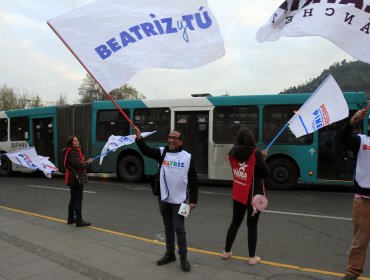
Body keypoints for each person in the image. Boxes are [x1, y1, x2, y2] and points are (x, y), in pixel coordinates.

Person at [133, 127, 198, 272]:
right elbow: (145, 151)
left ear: (181, 142)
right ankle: (170, 254)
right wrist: (139, 138)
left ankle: (183, 257)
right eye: (169, 137)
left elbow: (193, 180)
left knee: (179, 228)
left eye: (174, 138)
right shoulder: (162, 153)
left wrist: (193, 201)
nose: (170, 140)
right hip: (163, 199)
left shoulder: (187, 157)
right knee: (168, 227)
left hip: (180, 200)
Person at [222, 128, 269, 265]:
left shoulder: (232, 152)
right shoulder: (256, 153)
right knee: (252, 225)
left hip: (239, 192)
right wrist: (262, 158)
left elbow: (247, 164)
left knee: (235, 222)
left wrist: (260, 156)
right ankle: (252, 258)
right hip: (254, 195)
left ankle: (226, 252)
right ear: (251, 139)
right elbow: (265, 172)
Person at [338, 109, 370, 280]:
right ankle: (352, 274)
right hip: (364, 202)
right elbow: (342, 138)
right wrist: (351, 123)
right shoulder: (362, 141)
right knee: (359, 243)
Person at [62, 135, 93, 227]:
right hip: (75, 178)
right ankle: (79, 220)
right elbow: (79, 165)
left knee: (73, 199)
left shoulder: (70, 151)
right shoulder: (73, 152)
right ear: (71, 143)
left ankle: (71, 218)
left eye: (77, 140)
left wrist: (85, 161)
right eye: (74, 141)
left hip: (72, 178)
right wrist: (88, 162)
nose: (77, 142)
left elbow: (77, 164)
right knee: (78, 199)